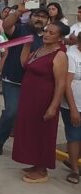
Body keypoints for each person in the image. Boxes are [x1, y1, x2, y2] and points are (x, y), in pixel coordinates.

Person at [12, 22, 69, 183]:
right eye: (45, 31)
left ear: (59, 37)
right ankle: (35, 163)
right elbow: (25, 64)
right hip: (29, 99)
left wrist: (53, 106)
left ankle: (42, 169)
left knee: (42, 133)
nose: (46, 34)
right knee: (30, 130)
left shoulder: (60, 55)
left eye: (51, 33)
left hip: (44, 100)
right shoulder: (40, 49)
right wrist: (26, 46)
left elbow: (61, 84)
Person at [0, 5, 49, 156]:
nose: (39, 19)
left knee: (29, 116)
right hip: (13, 79)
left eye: (43, 17)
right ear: (31, 17)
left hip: (35, 83)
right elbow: (6, 25)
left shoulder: (48, 36)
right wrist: (18, 12)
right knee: (11, 112)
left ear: (48, 20)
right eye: (37, 15)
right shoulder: (20, 29)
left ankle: (25, 147)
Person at [62, 31, 81, 184]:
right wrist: (73, 108)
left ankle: (72, 160)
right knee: (74, 135)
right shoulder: (71, 54)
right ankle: (75, 169)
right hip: (73, 104)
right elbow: (66, 83)